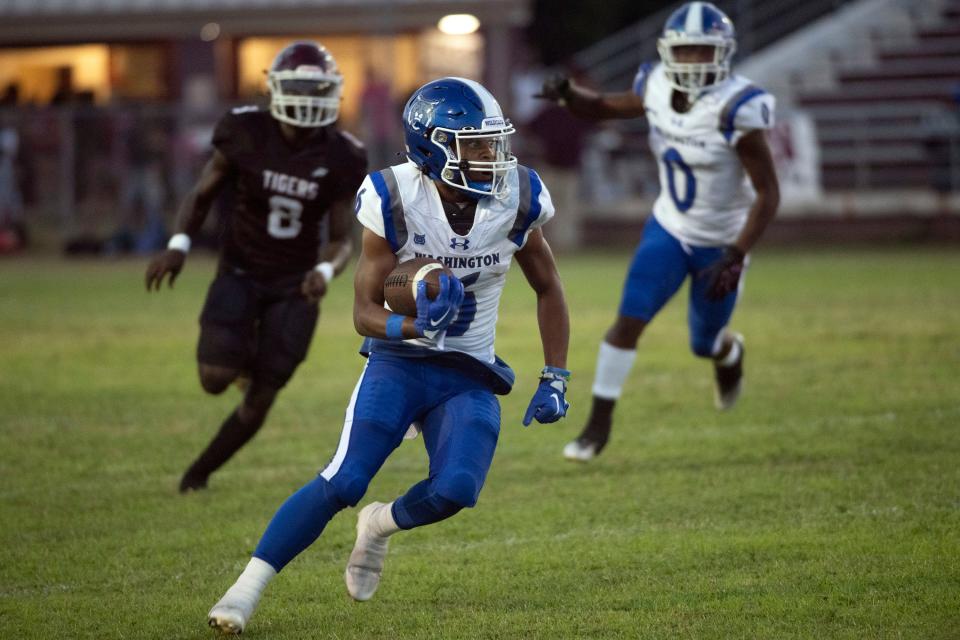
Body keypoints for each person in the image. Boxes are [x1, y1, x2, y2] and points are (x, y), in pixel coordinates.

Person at [206, 76, 571, 634]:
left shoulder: (517, 197)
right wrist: (411, 324)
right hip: (400, 361)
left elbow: (549, 287)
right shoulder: (393, 195)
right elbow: (362, 312)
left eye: (491, 142)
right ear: (430, 146)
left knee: (456, 491)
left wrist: (556, 374)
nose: (489, 155)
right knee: (345, 479)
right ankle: (243, 592)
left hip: (468, 372)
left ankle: (379, 526)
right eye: (471, 144)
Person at [538, 1, 780, 462]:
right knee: (628, 321)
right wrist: (570, 95)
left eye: (701, 52)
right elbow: (606, 105)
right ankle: (597, 427)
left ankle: (728, 352)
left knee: (702, 343)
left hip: (721, 242)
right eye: (684, 51)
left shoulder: (739, 108)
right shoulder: (655, 84)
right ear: (669, 52)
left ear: (723, 54)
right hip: (669, 227)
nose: (691, 62)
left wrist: (737, 251)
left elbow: (768, 193)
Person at [145, 41, 367, 492]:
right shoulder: (245, 131)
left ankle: (199, 474)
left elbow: (343, 239)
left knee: (261, 398)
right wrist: (179, 243)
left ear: (333, 92)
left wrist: (324, 273)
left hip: (296, 284)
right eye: (298, 86)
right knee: (214, 379)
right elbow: (202, 193)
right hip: (241, 271)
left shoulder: (343, 153)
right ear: (275, 88)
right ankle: (244, 356)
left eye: (315, 87)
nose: (306, 97)